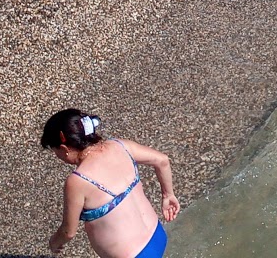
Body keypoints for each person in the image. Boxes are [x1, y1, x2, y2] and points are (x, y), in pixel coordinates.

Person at [40, 108, 176, 258]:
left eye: (56, 152)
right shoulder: (120, 146)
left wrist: (54, 242)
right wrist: (168, 195)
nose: (58, 156)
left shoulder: (78, 181)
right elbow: (162, 160)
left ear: (64, 149)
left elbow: (69, 231)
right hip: (157, 236)